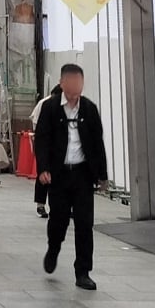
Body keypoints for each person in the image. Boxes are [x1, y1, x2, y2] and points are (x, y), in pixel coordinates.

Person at [34, 63, 106, 291]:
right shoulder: (51, 108)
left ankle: (83, 271)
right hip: (59, 175)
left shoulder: (89, 109)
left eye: (79, 81)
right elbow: (42, 140)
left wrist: (102, 175)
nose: (76, 85)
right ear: (62, 83)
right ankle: (53, 248)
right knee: (59, 220)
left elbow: (97, 144)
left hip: (83, 174)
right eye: (71, 81)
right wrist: (43, 168)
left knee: (85, 224)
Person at [32, 83, 62, 219]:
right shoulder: (45, 104)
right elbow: (35, 121)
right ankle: (40, 204)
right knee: (43, 174)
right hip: (45, 145)